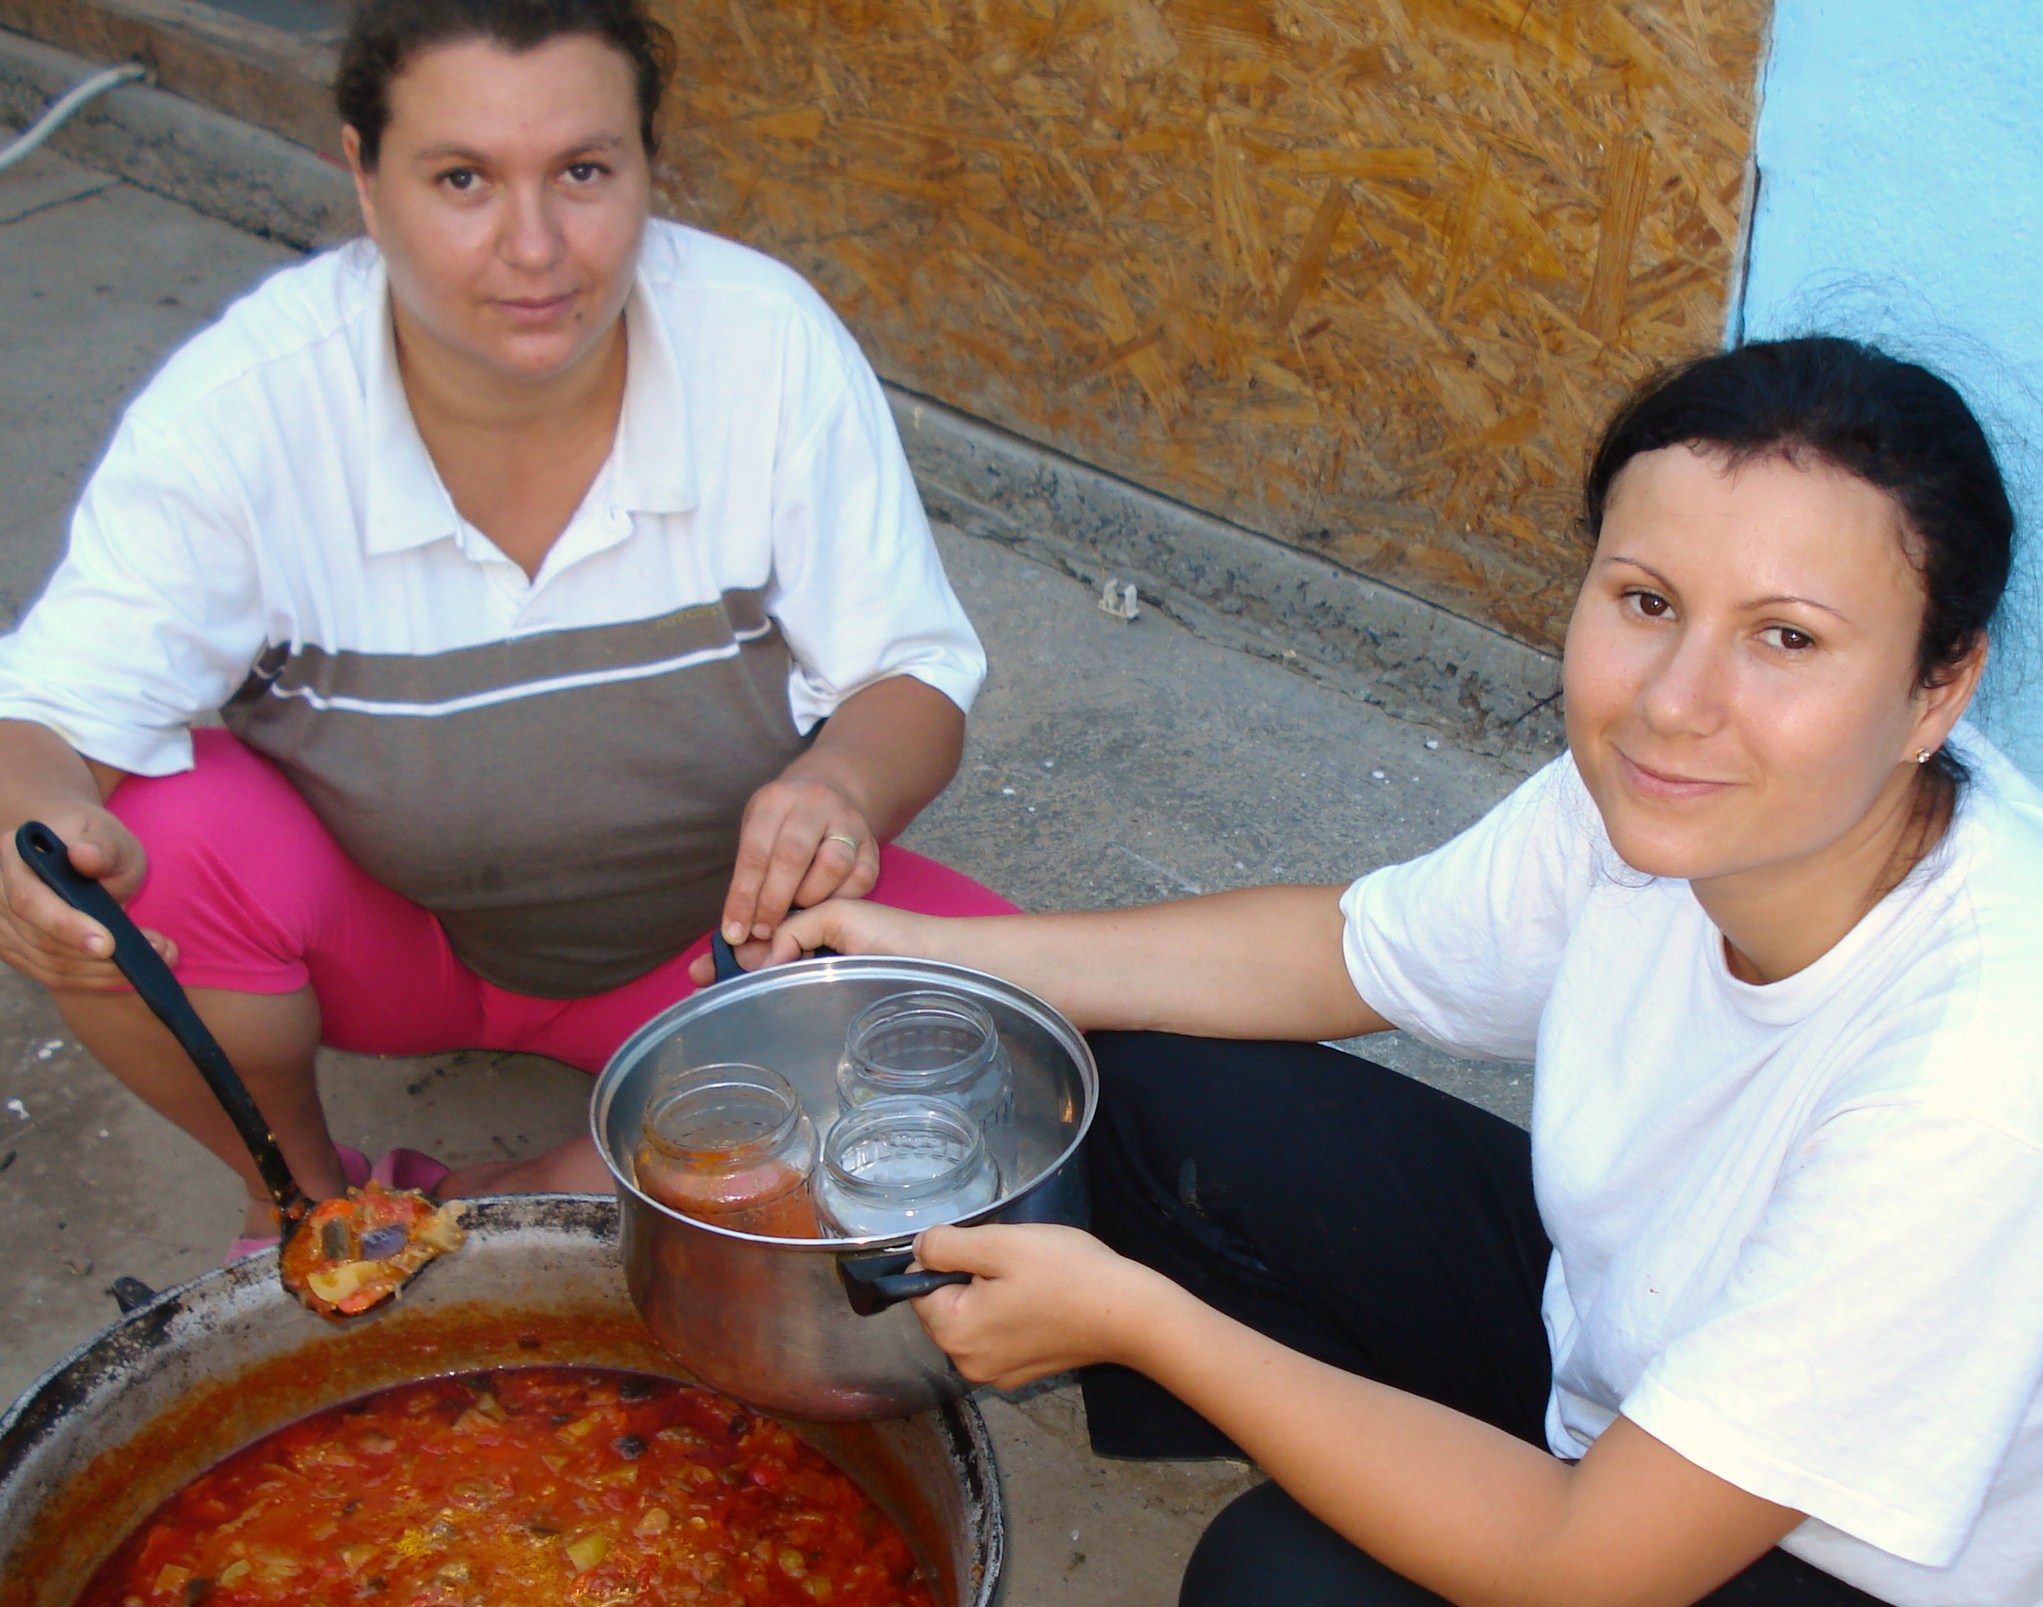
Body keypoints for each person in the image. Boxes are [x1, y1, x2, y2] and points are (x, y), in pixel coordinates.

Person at [737, 337, 2043, 1606]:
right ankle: (1402, 1456)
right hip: (1617, 1352)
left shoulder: (1969, 1072)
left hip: (1822, 1553)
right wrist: (941, 955)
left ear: (1936, 692)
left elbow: (1582, 1564)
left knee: (1277, 1579)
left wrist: (1142, 1320)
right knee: (1120, 1079)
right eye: (1646, 601)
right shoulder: (1651, 800)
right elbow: (1344, 949)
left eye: (1786, 638)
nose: (1672, 700)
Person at [0, 0, 1012, 1253]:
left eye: (584, 171)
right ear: (365, 182)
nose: (533, 246)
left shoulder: (764, 346)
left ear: (651, 168)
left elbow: (911, 669)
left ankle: (547, 1178)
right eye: (463, 177)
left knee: (1021, 1034)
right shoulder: (251, 401)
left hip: (719, 949)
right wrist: (38, 840)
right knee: (150, 832)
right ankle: (306, 1204)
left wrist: (843, 783)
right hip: (392, 936)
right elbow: (47, 713)